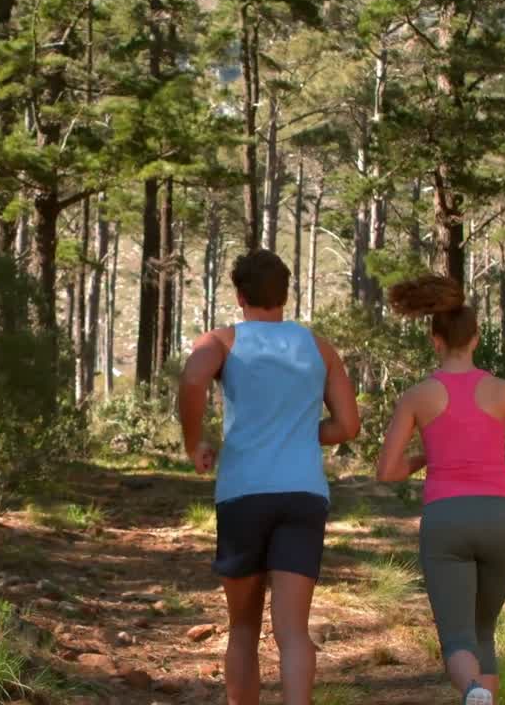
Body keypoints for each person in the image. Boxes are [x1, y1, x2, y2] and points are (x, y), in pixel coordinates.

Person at [178, 249, 361, 705]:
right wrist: (300, 431)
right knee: (293, 631)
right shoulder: (318, 347)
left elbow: (192, 382)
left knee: (242, 627)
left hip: (244, 494)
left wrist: (194, 441)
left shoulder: (221, 342)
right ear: (284, 294)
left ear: (240, 296)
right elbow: (348, 427)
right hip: (303, 496)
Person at [375, 274, 505, 705]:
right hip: (501, 518)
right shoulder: (503, 390)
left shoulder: (418, 396)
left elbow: (387, 471)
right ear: (475, 339)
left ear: (435, 341)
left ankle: (472, 689)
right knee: (483, 631)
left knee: (457, 638)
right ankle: (481, 694)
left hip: (447, 519)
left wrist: (423, 460)